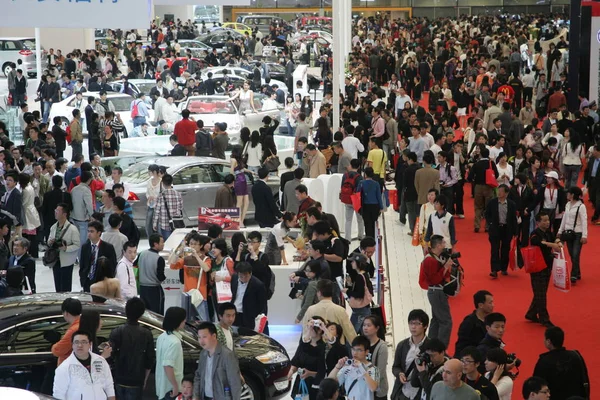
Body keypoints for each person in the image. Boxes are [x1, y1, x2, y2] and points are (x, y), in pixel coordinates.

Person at [53, 330, 115, 400]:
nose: (80, 345)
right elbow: (58, 394)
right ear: (72, 345)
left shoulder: (100, 361)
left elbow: (109, 385)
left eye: (84, 342)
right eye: (76, 342)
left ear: (90, 344)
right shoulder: (65, 367)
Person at [533, 326, 590, 399]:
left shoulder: (543, 362)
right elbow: (584, 379)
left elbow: (536, 386)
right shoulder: (575, 356)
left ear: (549, 341)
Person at [193, 321, 243, 400]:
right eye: (199, 337)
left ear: (214, 336)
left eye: (204, 337)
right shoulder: (203, 354)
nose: (201, 341)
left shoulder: (227, 355)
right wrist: (196, 396)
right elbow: (198, 376)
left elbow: (235, 383)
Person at [168, 232, 212, 322]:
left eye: (195, 244)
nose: (193, 246)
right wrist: (179, 251)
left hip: (200, 296)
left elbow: (206, 268)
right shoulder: (186, 259)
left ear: (201, 246)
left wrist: (196, 255)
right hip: (187, 295)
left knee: (203, 322)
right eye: (191, 244)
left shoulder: (206, 259)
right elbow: (172, 265)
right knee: (187, 322)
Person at [526, 211, 560, 327]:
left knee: (541, 292)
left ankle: (531, 313)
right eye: (544, 220)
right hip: (537, 267)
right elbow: (538, 243)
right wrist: (553, 245)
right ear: (538, 222)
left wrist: (558, 242)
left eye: (548, 220)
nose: (547, 222)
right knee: (541, 294)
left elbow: (555, 238)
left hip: (547, 266)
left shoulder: (548, 232)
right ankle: (544, 319)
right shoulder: (535, 233)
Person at [419, 235, 452, 347]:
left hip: (437, 291)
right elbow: (434, 279)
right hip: (436, 291)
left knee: (437, 320)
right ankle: (441, 349)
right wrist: (446, 266)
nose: (444, 245)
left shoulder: (435, 258)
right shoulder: (430, 260)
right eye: (443, 243)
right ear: (438, 245)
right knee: (445, 321)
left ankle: (431, 346)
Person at [301, 279, 357, 345]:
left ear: (319, 293)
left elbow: (305, 332)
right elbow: (350, 332)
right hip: (336, 349)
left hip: (316, 349)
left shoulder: (311, 309)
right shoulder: (340, 310)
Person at [390, 309, 430, 400]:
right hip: (402, 392)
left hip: (420, 393)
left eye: (417, 324)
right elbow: (395, 367)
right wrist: (399, 373)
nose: (413, 327)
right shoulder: (402, 345)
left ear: (425, 326)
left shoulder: (430, 347)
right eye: (411, 323)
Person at [288, 317, 327, 400]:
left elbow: (324, 371)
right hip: (301, 382)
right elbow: (296, 361)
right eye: (308, 326)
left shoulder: (324, 348)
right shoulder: (303, 345)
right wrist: (291, 371)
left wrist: (310, 373)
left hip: (315, 384)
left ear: (319, 330)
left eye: (311, 327)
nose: (308, 329)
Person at [485, 184, 518, 278]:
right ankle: (494, 270)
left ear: (506, 193)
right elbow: (487, 214)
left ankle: (504, 268)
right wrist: (490, 223)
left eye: (501, 191)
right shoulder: (492, 202)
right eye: (498, 191)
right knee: (494, 249)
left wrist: (515, 232)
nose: (499, 193)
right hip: (495, 228)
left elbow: (513, 219)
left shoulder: (511, 204)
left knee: (505, 249)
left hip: (507, 229)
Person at [557, 186, 587, 284]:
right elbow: (564, 219)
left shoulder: (581, 206)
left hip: (578, 233)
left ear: (573, 194)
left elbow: (584, 221)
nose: (567, 194)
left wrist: (584, 235)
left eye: (568, 193)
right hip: (568, 232)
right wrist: (560, 231)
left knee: (575, 254)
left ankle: (573, 274)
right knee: (571, 254)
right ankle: (577, 272)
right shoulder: (567, 204)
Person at [155, 307, 186, 400]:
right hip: (171, 389)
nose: (185, 322)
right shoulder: (175, 342)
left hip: (162, 386)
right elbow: (168, 366)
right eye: (183, 320)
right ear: (177, 321)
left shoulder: (162, 337)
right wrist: (175, 386)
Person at [48, 203, 80, 292]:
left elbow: (77, 245)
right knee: (57, 286)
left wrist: (66, 248)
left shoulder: (72, 229)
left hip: (66, 261)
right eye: (55, 211)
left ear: (64, 214)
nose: (55, 213)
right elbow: (49, 240)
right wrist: (50, 242)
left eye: (58, 211)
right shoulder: (53, 227)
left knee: (65, 287)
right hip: (55, 260)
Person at [79, 221, 118, 293]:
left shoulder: (108, 247)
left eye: (92, 231)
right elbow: (82, 264)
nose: (89, 234)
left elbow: (113, 265)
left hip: (101, 281)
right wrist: (82, 278)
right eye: (88, 231)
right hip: (87, 280)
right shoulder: (85, 247)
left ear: (99, 233)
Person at [231, 261, 268, 334]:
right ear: (238, 274)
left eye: (246, 276)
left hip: (248, 316)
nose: (244, 278)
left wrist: (260, 319)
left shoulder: (258, 285)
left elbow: (263, 305)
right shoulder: (234, 278)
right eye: (241, 276)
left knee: (247, 338)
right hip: (235, 314)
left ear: (250, 273)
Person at [455, 290, 494, 357]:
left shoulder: (490, 320)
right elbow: (461, 344)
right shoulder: (469, 322)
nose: (493, 305)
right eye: (490, 303)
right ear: (480, 305)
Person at [471, 147, 499, 232]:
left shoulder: (477, 164)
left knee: (478, 207)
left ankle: (477, 225)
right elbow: (496, 175)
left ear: (480, 154)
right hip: (489, 187)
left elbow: (470, 177)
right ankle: (487, 226)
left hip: (478, 187)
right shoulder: (491, 163)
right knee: (488, 207)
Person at [138, 233, 167, 315]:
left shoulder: (142, 254)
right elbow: (160, 277)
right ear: (155, 244)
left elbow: (135, 266)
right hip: (154, 290)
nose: (163, 244)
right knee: (156, 315)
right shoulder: (159, 259)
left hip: (142, 289)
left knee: (145, 314)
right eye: (162, 242)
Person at [345, 252, 373, 332]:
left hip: (360, 310)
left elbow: (360, 294)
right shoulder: (364, 274)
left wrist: (348, 291)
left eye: (353, 261)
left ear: (358, 263)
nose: (351, 263)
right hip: (365, 308)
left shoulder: (359, 277)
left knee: (351, 332)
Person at [362, 315, 389, 400]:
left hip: (378, 389)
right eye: (364, 325)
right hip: (363, 388)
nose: (365, 328)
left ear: (376, 328)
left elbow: (380, 371)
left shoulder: (382, 347)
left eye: (369, 325)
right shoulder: (361, 343)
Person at [51, 298, 82, 366]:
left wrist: (54, 346)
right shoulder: (82, 324)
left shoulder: (74, 330)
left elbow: (57, 350)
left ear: (66, 313)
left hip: (69, 369)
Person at [153, 174, 184, 241]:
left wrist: (154, 223)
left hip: (165, 224)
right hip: (176, 223)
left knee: (167, 243)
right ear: (172, 182)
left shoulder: (161, 196)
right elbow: (181, 207)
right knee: (176, 242)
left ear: (163, 183)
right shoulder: (178, 194)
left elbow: (157, 211)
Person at [340, 159, 365, 240]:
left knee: (348, 220)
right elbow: (360, 190)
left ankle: (347, 238)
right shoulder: (359, 177)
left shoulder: (345, 175)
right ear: (358, 167)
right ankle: (360, 235)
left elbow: (341, 187)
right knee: (360, 219)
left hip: (347, 200)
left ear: (350, 165)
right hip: (356, 201)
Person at [359, 167, 384, 239]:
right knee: (373, 222)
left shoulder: (361, 183)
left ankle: (368, 237)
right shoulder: (376, 184)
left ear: (365, 174)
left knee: (367, 223)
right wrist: (381, 207)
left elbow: (358, 194)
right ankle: (373, 237)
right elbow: (379, 196)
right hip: (375, 206)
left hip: (365, 205)